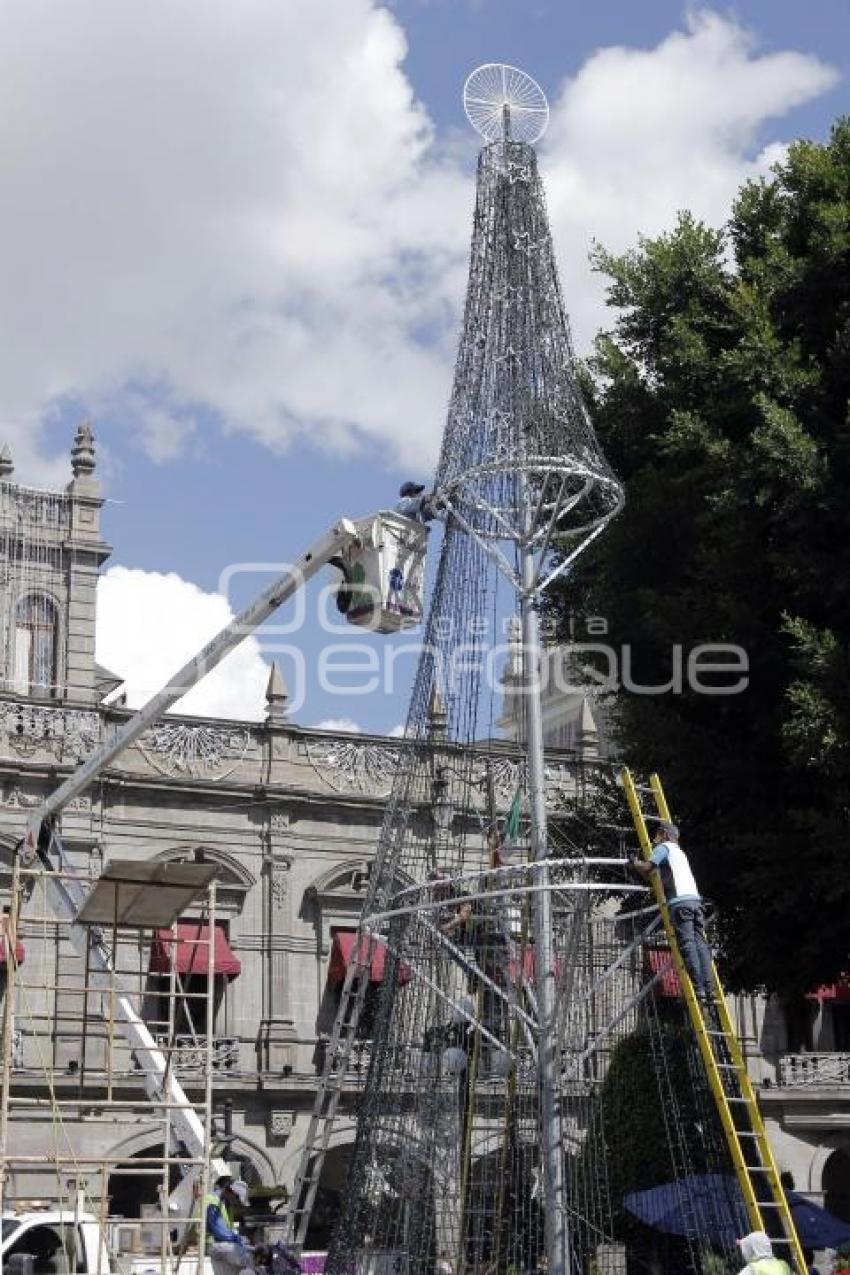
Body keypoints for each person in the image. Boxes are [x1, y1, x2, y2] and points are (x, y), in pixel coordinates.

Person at [630, 820, 715, 1007]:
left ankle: (698, 988)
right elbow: (651, 874)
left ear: (666, 835)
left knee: (688, 944)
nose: (655, 839)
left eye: (658, 835)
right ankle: (710, 990)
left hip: (680, 903)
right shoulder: (680, 853)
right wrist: (641, 866)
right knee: (701, 945)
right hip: (695, 902)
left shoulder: (664, 848)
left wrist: (634, 862)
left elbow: (647, 868)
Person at [206, 1175, 252, 1273]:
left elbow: (227, 1230)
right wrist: (237, 1238)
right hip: (212, 1243)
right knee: (248, 1258)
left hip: (222, 1243)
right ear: (230, 1192)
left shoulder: (226, 1204)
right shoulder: (213, 1202)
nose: (237, 1203)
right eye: (237, 1199)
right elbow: (220, 1232)